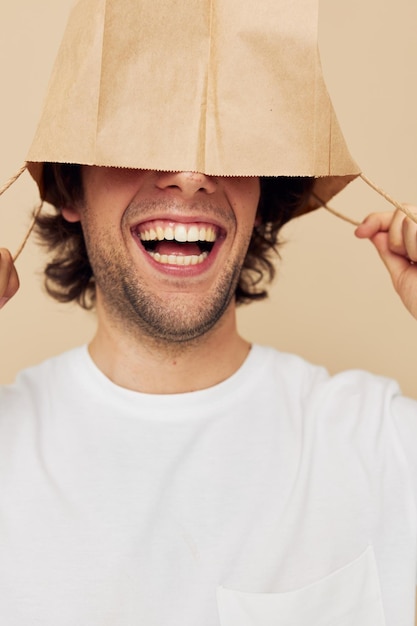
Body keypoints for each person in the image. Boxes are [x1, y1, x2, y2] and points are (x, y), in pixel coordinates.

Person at [0, 1, 417, 625]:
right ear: (67, 185)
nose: (192, 175)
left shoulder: (381, 445)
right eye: (137, 133)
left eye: (233, 138)